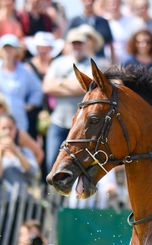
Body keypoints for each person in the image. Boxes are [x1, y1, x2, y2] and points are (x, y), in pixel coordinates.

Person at [42, 27, 94, 175]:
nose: (77, 46)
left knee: (80, 163)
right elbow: (47, 87)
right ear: (68, 44)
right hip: (59, 120)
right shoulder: (58, 63)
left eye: (80, 43)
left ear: (85, 44)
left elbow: (88, 87)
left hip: (81, 124)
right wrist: (74, 86)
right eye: (74, 43)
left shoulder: (92, 64)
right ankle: (52, 196)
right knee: (52, 161)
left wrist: (61, 83)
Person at [0, 34, 44, 135]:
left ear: (16, 50)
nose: (8, 51)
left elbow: (38, 89)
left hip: (18, 118)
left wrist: (30, 104)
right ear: (0, 50)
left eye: (11, 48)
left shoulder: (25, 70)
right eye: (5, 48)